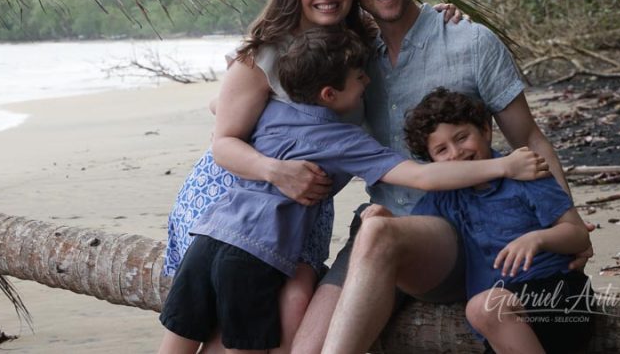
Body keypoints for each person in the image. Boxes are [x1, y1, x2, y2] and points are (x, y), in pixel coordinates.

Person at [212, 0, 592, 352]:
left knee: (377, 232)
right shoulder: (351, 58)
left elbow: (530, 139)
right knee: (308, 342)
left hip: (462, 236)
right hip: (380, 231)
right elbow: (254, 97)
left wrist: (569, 220)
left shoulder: (470, 42)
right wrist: (271, 166)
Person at [158, 29, 550, 354]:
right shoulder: (343, 139)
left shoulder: (272, 109)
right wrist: (504, 164)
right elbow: (422, 177)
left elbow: (218, 104)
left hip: (207, 237)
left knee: (181, 338)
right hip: (255, 254)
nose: (367, 81)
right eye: (360, 77)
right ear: (330, 95)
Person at [164, 0, 460, 352]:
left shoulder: (356, 45)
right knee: (224, 317)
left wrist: (440, 15)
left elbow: (405, 22)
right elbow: (224, 140)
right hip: (236, 193)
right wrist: (276, 171)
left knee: (295, 300)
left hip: (301, 208)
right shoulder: (264, 53)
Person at [404, 88, 593, 353]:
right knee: (485, 309)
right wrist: (381, 219)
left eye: (462, 137)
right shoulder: (442, 198)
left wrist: (537, 239)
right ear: (431, 160)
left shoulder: (526, 175)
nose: (456, 153)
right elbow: (414, 238)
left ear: (485, 129)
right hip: (501, 323)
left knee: (483, 307)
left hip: (557, 295)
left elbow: (578, 234)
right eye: (441, 150)